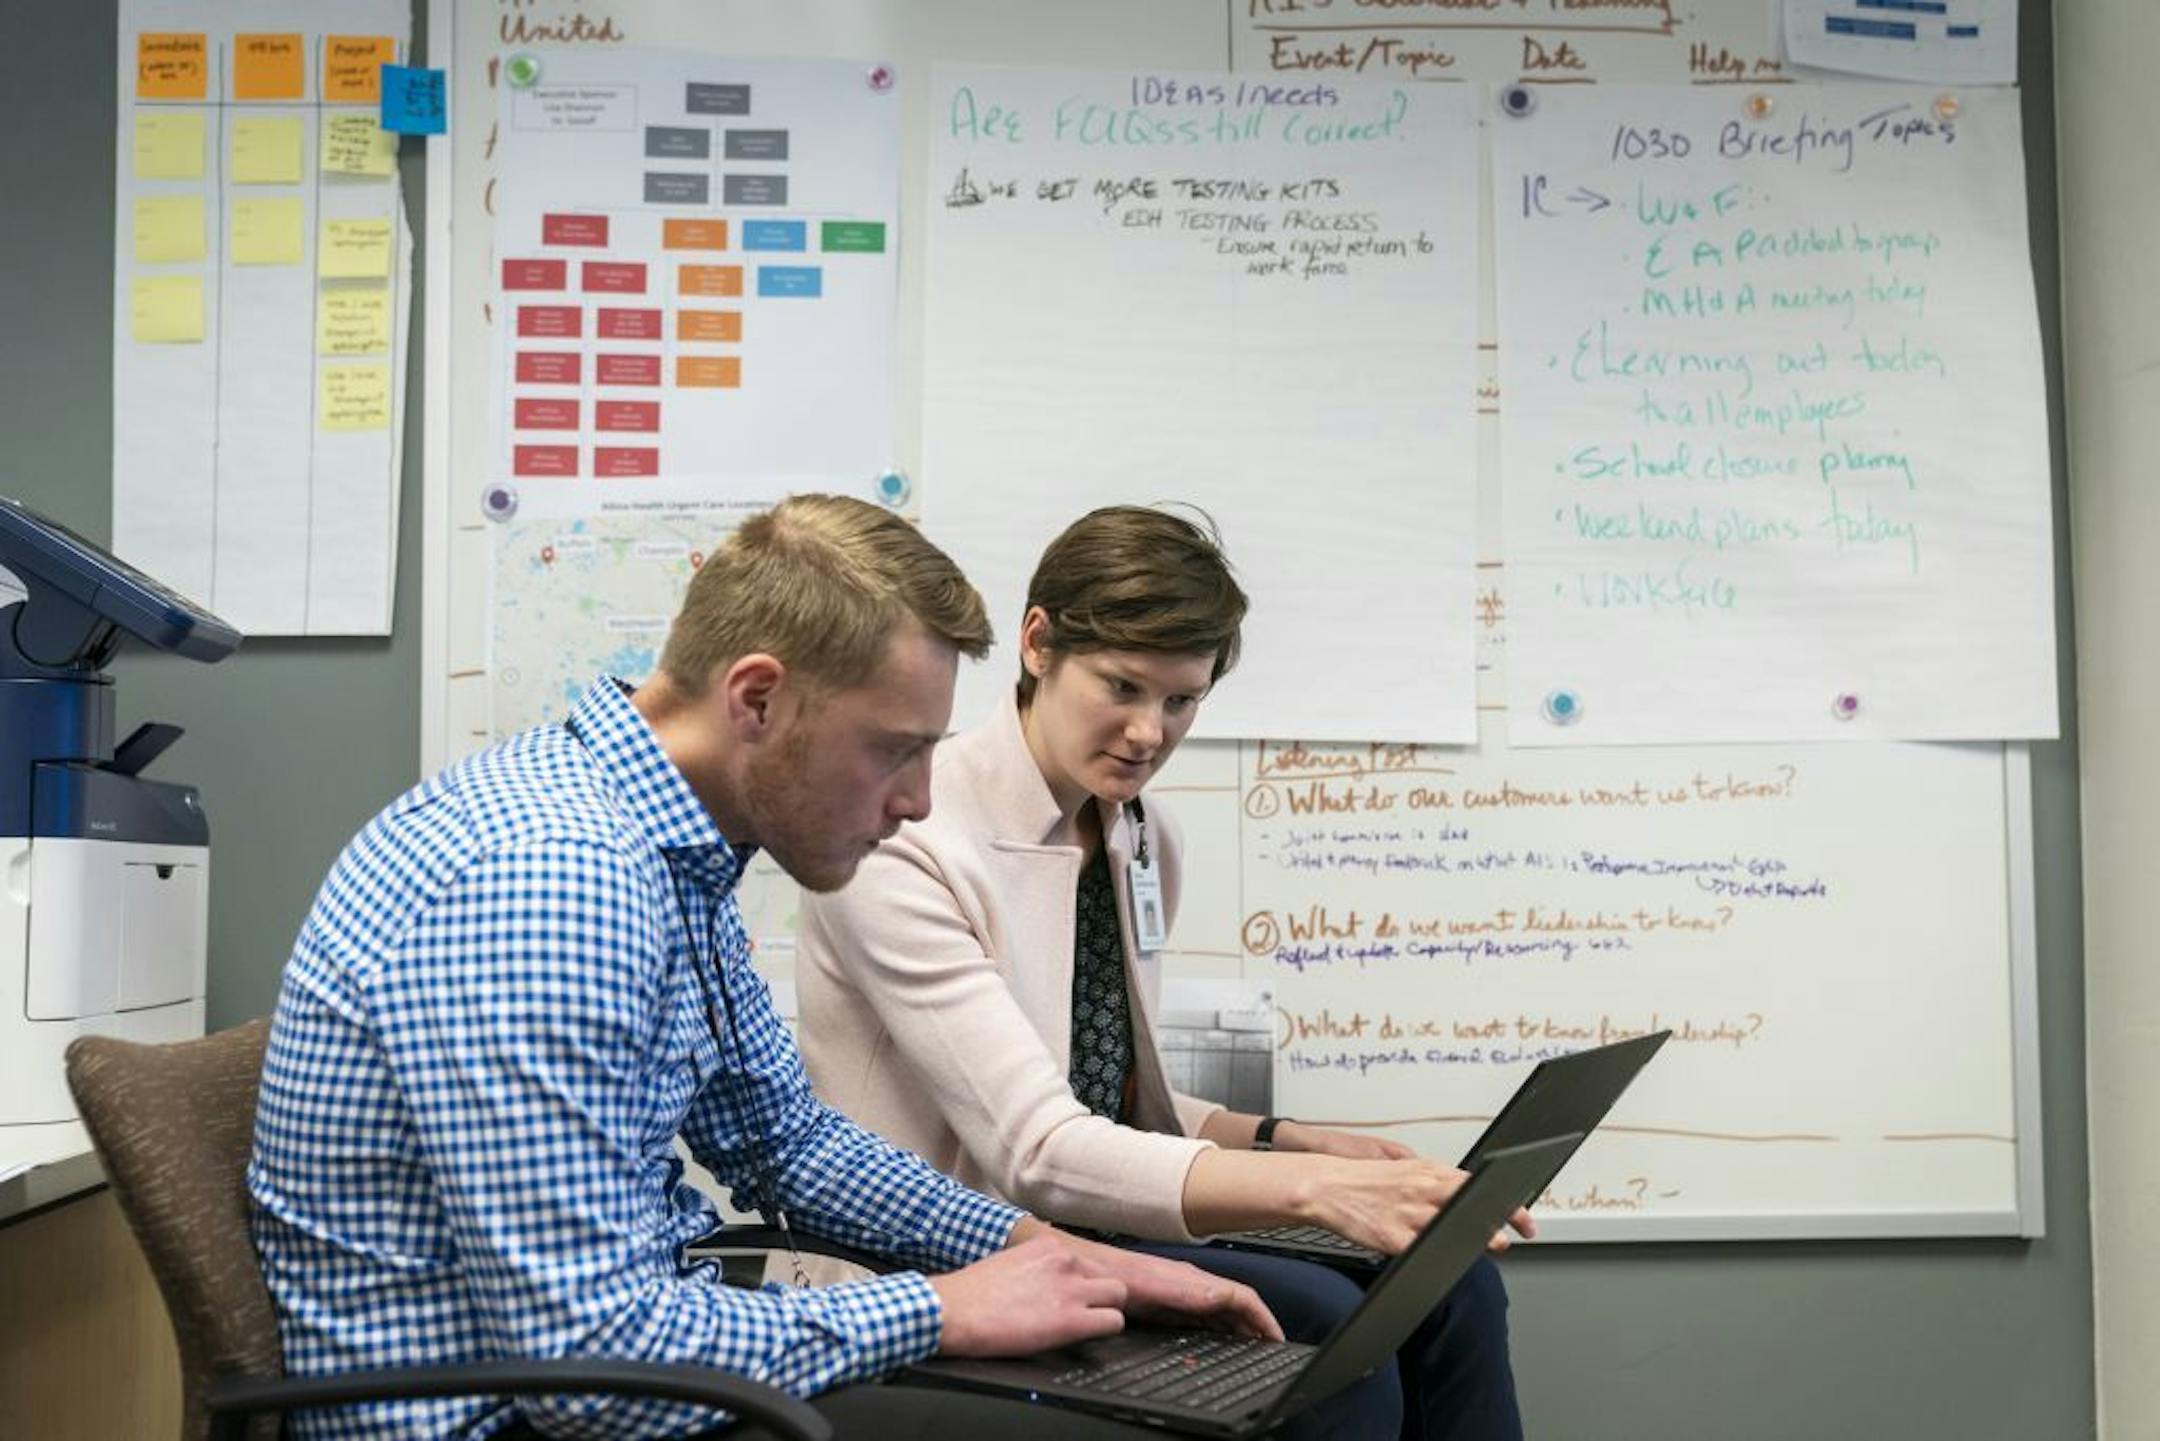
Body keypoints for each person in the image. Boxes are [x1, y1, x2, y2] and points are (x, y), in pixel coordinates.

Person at [246, 495, 1276, 1441]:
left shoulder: (666, 847)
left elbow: (783, 1140)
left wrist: (1032, 1246)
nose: (918, 800)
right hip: (508, 1414)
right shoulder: (552, 882)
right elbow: (587, 1365)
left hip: (621, 1355)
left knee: (1193, 1381)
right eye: (892, 750)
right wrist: (936, 1307)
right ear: (757, 700)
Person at [798, 506, 1530, 1441]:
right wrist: (1310, 1192)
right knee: (1336, 1350)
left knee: (1454, 1287)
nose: (1150, 732)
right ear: (1036, 644)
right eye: (1122, 686)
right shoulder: (907, 839)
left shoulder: (1139, 833)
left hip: (1087, 1224)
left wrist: (1287, 1141)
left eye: (1181, 700)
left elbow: (1107, 1093)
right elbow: (1038, 1145)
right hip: (949, 1258)